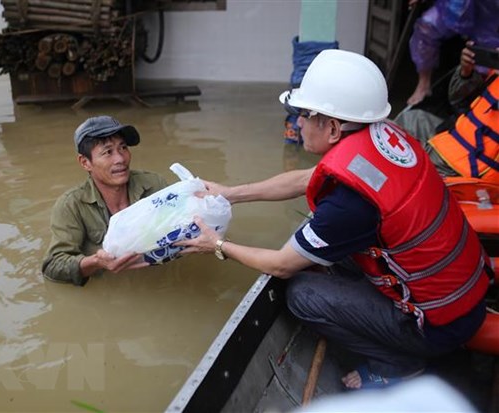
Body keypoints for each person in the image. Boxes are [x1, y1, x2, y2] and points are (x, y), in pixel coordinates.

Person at [175, 50, 493, 390]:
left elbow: (281, 265)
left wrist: (218, 244)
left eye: (303, 115)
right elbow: (303, 180)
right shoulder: (381, 137)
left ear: (332, 127)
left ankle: (399, 364)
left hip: (438, 324)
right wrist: (230, 192)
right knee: (322, 253)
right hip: (463, 292)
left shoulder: (349, 202)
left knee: (300, 292)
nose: (297, 124)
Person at [41, 115, 167, 286]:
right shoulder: (71, 205)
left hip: (159, 283)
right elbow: (52, 266)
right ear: (85, 162)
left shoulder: (154, 185)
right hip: (112, 291)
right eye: (108, 152)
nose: (120, 159)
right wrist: (95, 262)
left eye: (123, 148)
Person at [396, 41, 499, 181]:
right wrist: (466, 73)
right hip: (451, 138)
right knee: (411, 119)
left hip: (467, 168)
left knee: (402, 173)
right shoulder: (495, 73)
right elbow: (457, 101)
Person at [406, 0, 499, 106]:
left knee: (485, 59)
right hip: (459, 4)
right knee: (426, 27)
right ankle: (423, 84)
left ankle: (481, 98)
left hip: (491, 15)